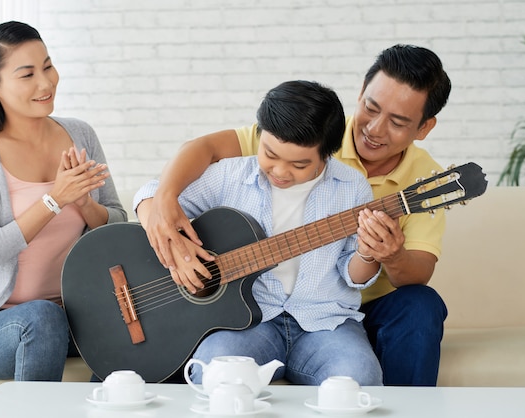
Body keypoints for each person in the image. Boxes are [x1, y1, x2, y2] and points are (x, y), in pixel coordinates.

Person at [143, 44, 451, 386]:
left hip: (332, 314)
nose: (376, 129)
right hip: (250, 313)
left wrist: (381, 254)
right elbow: (200, 150)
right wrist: (161, 208)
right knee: (212, 371)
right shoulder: (291, 129)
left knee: (407, 322)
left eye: (397, 122)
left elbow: (403, 271)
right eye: (371, 108)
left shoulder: (365, 183)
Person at [134, 80, 383, 386]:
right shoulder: (229, 176)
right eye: (270, 154)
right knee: (213, 374)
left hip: (325, 323)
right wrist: (176, 250)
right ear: (259, 135)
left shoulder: (353, 186)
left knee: (361, 377)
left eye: (299, 164)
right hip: (248, 323)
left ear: (328, 155)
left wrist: (368, 253)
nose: (279, 171)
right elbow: (149, 193)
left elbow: (352, 274)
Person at [0, 21, 127, 381]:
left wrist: (84, 205)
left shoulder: (80, 134)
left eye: (47, 66)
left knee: (152, 327)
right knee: (42, 318)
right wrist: (54, 199)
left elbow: (119, 224)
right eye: (27, 74)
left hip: (74, 316)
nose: (45, 83)